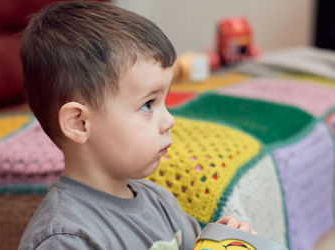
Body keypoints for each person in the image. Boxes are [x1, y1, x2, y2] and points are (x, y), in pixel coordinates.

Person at [18, 1, 255, 249]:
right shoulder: (64, 240)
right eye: (148, 105)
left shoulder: (160, 201)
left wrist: (219, 242)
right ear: (80, 123)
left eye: (165, 101)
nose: (169, 120)